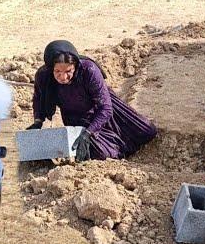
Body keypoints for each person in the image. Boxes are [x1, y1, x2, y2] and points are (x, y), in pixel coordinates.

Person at [27, 40, 157, 161]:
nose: (63, 77)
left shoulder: (88, 70)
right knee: (99, 153)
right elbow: (39, 98)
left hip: (104, 109)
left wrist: (89, 133)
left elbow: (106, 108)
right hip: (76, 117)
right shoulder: (44, 75)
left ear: (75, 66)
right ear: (51, 68)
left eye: (68, 71)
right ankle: (115, 150)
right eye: (57, 72)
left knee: (147, 131)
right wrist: (38, 121)